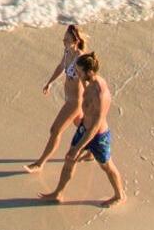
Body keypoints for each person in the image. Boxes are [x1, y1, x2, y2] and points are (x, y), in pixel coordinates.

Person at [41, 52, 124, 206]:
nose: (76, 74)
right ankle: (58, 193)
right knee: (69, 158)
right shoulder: (88, 82)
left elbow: (96, 125)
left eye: (79, 71)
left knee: (106, 166)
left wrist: (78, 148)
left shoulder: (101, 93)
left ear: (89, 72)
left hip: (98, 136)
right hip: (83, 128)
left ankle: (119, 195)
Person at [25, 24, 88, 173]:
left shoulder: (81, 58)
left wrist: (91, 101)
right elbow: (61, 66)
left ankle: (40, 163)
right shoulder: (67, 52)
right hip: (68, 98)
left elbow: (87, 81)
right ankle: (92, 150)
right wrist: (50, 82)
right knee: (83, 126)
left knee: (55, 130)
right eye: (63, 38)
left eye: (66, 39)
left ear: (76, 40)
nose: (63, 41)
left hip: (75, 102)